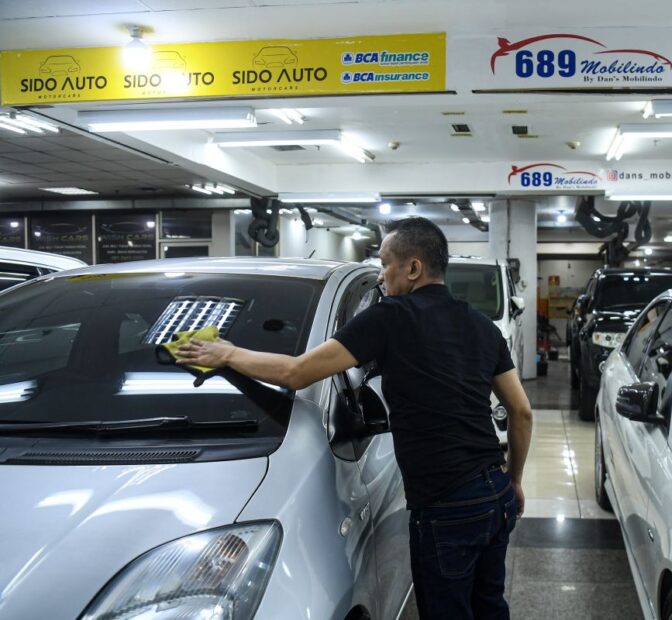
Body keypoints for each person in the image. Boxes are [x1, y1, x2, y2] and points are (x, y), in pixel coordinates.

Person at [175, 216, 533, 619]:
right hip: (494, 493)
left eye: (385, 264)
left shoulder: (391, 316)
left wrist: (228, 354)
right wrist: (515, 480)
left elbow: (298, 372)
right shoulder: (483, 326)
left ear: (413, 268)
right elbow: (521, 411)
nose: (381, 277)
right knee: (489, 607)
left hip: (445, 504)